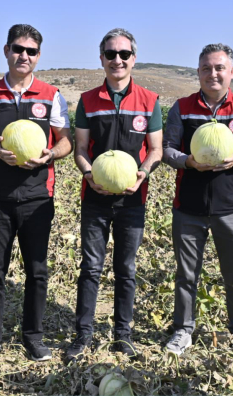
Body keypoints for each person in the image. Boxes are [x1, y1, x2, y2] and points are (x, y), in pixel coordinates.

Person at [0, 24, 72, 363]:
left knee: (37, 271)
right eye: (18, 49)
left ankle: (33, 337)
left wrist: (51, 153)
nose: (23, 56)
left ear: (38, 56)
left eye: (31, 51)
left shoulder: (51, 94)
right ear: (7, 50)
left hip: (38, 198)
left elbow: (66, 141)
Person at [162, 43, 233, 360]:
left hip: (232, 208)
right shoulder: (182, 108)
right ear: (198, 72)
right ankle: (183, 330)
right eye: (207, 68)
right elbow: (167, 151)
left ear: (231, 72)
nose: (213, 74)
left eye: (219, 67)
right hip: (189, 208)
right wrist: (188, 162)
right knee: (186, 276)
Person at [65, 28, 163, 363]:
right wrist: (89, 174)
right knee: (90, 267)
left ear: (133, 58)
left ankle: (123, 336)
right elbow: (79, 149)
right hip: (95, 198)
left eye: (123, 54)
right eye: (110, 54)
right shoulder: (88, 101)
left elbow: (155, 150)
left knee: (126, 268)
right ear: (102, 59)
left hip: (133, 200)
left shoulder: (150, 101)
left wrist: (144, 173)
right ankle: (83, 335)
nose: (117, 60)